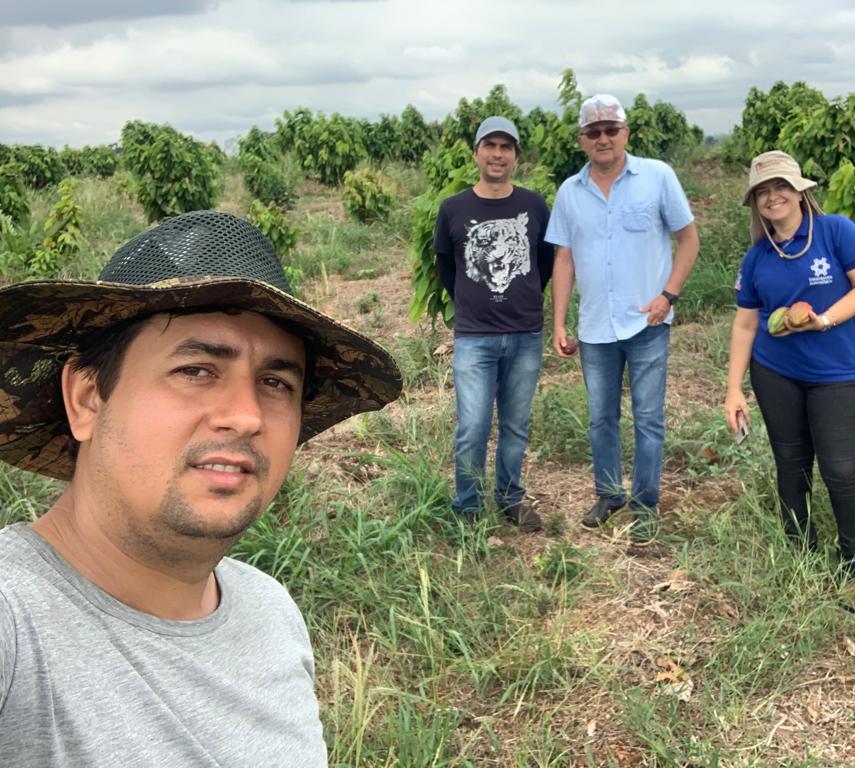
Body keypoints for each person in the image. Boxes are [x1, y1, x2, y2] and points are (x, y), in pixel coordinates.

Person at [0, 210, 402, 766]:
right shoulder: (14, 620)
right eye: (196, 370)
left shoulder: (270, 611)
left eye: (275, 383)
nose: (245, 416)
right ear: (88, 399)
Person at [545, 94, 700, 543]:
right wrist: (559, 322)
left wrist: (668, 295)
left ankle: (647, 504)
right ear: (582, 140)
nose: (603, 138)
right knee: (601, 419)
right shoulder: (570, 193)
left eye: (611, 129)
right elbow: (564, 260)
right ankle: (610, 494)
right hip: (595, 327)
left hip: (648, 323)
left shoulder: (657, 177)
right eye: (594, 132)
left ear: (626, 132)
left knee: (648, 418)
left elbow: (688, 240)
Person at [724, 150, 855, 574]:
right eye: (763, 191)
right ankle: (800, 550)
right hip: (776, 373)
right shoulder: (757, 257)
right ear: (756, 203)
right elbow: (744, 326)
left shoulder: (835, 232)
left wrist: (825, 320)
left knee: (842, 468)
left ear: (800, 191)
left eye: (781, 187)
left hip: (836, 373)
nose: (773, 197)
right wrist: (734, 389)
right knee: (791, 463)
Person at [434, 116, 554, 531]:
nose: (498, 154)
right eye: (490, 145)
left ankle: (509, 499)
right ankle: (467, 506)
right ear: (477, 153)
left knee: (516, 426)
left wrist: (519, 300)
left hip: (525, 334)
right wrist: (474, 303)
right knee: (472, 426)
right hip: (474, 337)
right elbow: (447, 269)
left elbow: (545, 263)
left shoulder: (535, 205)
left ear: (516, 156)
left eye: (506, 147)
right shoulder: (453, 208)